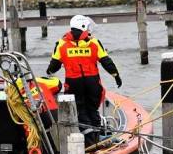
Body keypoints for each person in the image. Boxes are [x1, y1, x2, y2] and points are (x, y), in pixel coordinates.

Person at [46, 15, 121, 146]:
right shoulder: (94, 42)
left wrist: (49, 72)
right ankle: (97, 136)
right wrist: (116, 75)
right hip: (93, 82)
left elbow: (54, 66)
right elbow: (106, 61)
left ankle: (90, 140)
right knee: (93, 109)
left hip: (73, 83)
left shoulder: (61, 44)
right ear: (83, 27)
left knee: (80, 111)